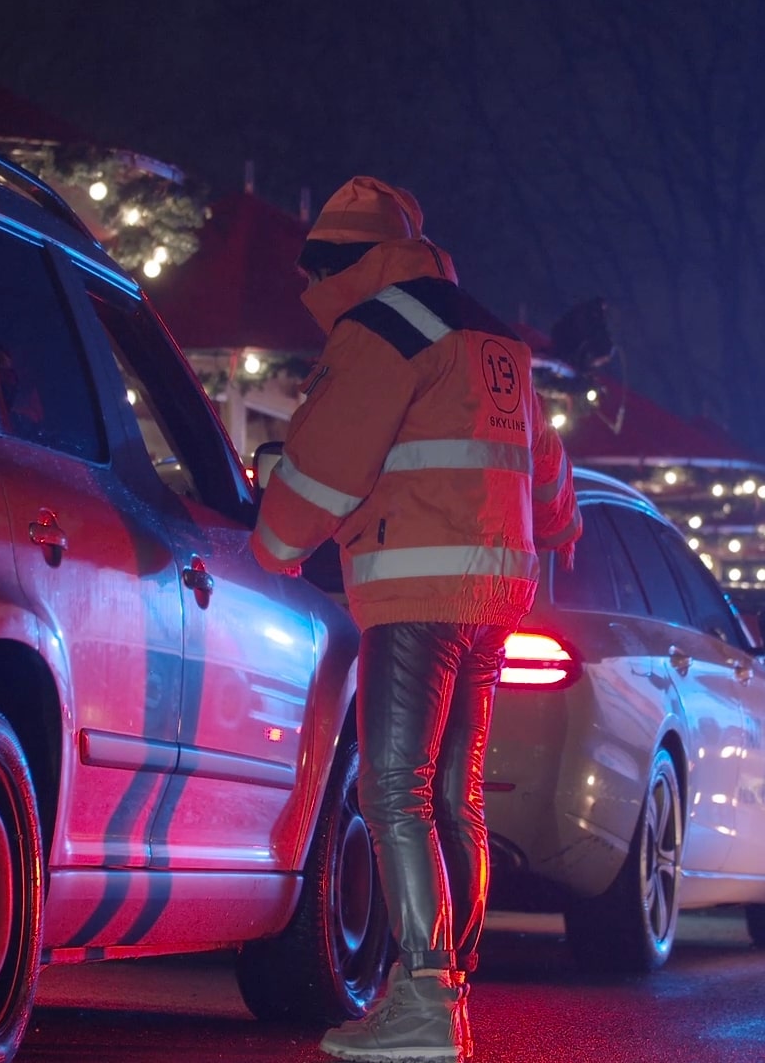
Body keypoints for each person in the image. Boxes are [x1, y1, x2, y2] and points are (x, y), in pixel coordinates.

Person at [251, 176, 581, 1063]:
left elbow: (324, 463)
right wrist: (558, 526)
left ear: (341, 265)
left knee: (390, 791)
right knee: (452, 797)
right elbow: (548, 472)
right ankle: (448, 990)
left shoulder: (384, 329)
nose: (307, 292)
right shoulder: (492, 337)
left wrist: (273, 543)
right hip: (495, 596)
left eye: (313, 273)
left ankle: (425, 1004)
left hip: (414, 590)